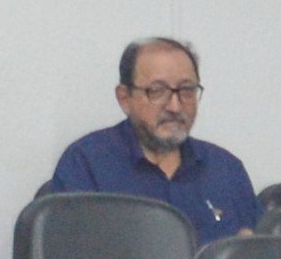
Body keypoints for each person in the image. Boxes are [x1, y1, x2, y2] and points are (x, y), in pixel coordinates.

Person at [35, 34, 258, 247]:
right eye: (157, 91)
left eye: (187, 90)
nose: (175, 106)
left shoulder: (226, 170)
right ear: (125, 98)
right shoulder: (86, 164)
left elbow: (253, 257)